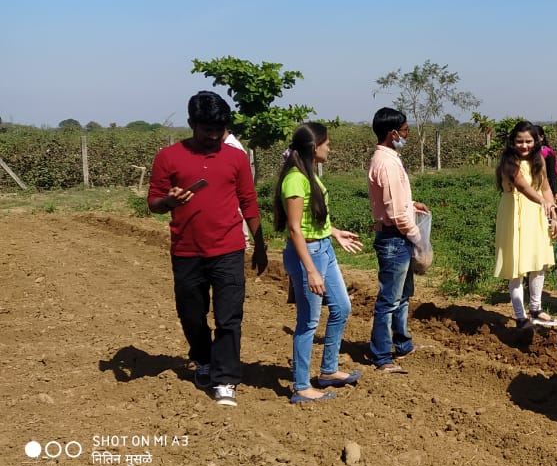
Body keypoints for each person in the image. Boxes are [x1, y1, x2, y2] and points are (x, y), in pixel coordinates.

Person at [147, 90, 267, 407]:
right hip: (187, 252)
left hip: (228, 249)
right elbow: (154, 204)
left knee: (229, 318)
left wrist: (260, 243)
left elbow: (249, 201)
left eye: (219, 129)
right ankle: (202, 360)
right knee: (192, 316)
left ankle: (225, 378)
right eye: (207, 130)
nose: (214, 136)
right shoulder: (168, 157)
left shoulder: (236, 158)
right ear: (191, 124)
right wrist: (169, 201)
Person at [274, 122, 365, 403]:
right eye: (327, 143)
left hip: (323, 248)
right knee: (308, 322)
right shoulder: (294, 179)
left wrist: (333, 232)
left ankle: (328, 370)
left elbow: (310, 220)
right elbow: (295, 229)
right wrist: (311, 271)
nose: (330, 147)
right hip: (308, 256)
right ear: (315, 147)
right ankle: (301, 386)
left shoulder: (308, 173)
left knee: (342, 307)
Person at [367, 107, 432, 374]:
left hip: (396, 236)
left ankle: (402, 344)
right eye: (405, 130)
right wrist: (419, 240)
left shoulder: (389, 159)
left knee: (402, 296)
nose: (407, 135)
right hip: (395, 239)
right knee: (389, 300)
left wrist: (411, 203)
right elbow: (395, 213)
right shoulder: (387, 163)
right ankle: (381, 355)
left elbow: (395, 201)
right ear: (393, 133)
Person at [494, 120, 557, 329]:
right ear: (513, 142)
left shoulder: (539, 160)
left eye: (528, 141)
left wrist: (553, 213)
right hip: (514, 215)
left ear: (536, 141)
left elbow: (545, 188)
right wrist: (541, 201)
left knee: (538, 263)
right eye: (519, 141)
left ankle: (536, 309)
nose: (524, 146)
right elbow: (522, 186)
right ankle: (520, 316)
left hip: (536, 216)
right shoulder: (509, 162)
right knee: (516, 267)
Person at [533, 125, 557, 207]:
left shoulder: (547, 154)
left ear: (542, 137)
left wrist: (556, 193)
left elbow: (552, 175)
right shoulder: (527, 154)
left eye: (536, 137)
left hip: (545, 189)